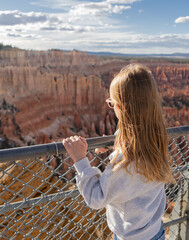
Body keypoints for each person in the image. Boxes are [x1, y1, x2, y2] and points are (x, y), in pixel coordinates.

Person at [62, 64, 175, 240]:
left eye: (111, 103)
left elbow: (96, 198)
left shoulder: (126, 161)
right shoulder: (155, 138)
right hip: (156, 232)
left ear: (120, 107)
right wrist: (114, 145)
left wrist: (80, 160)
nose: (111, 106)